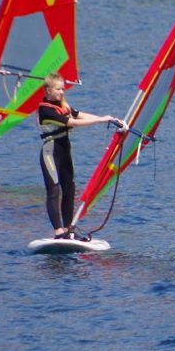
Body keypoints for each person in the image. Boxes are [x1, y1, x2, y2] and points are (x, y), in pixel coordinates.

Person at [37, 72, 123, 240]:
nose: (62, 92)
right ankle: (59, 232)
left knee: (69, 190)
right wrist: (101, 120)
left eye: (63, 89)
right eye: (58, 89)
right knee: (54, 191)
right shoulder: (45, 109)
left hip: (64, 151)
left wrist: (108, 119)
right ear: (48, 90)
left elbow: (79, 115)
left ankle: (69, 230)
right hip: (50, 153)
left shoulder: (62, 105)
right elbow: (73, 123)